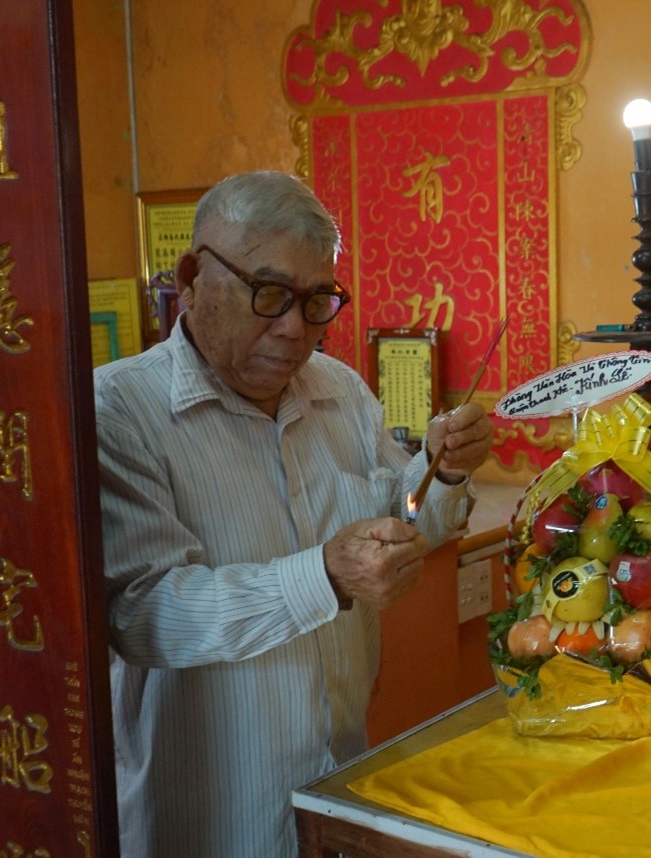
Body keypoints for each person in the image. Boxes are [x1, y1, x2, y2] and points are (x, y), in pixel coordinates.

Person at [93, 170, 495, 856]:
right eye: (269, 294)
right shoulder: (121, 411)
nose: (292, 330)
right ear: (191, 278)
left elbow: (396, 524)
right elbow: (144, 614)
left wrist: (439, 471)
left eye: (316, 302)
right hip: (209, 805)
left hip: (335, 772)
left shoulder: (339, 392)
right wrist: (326, 577)